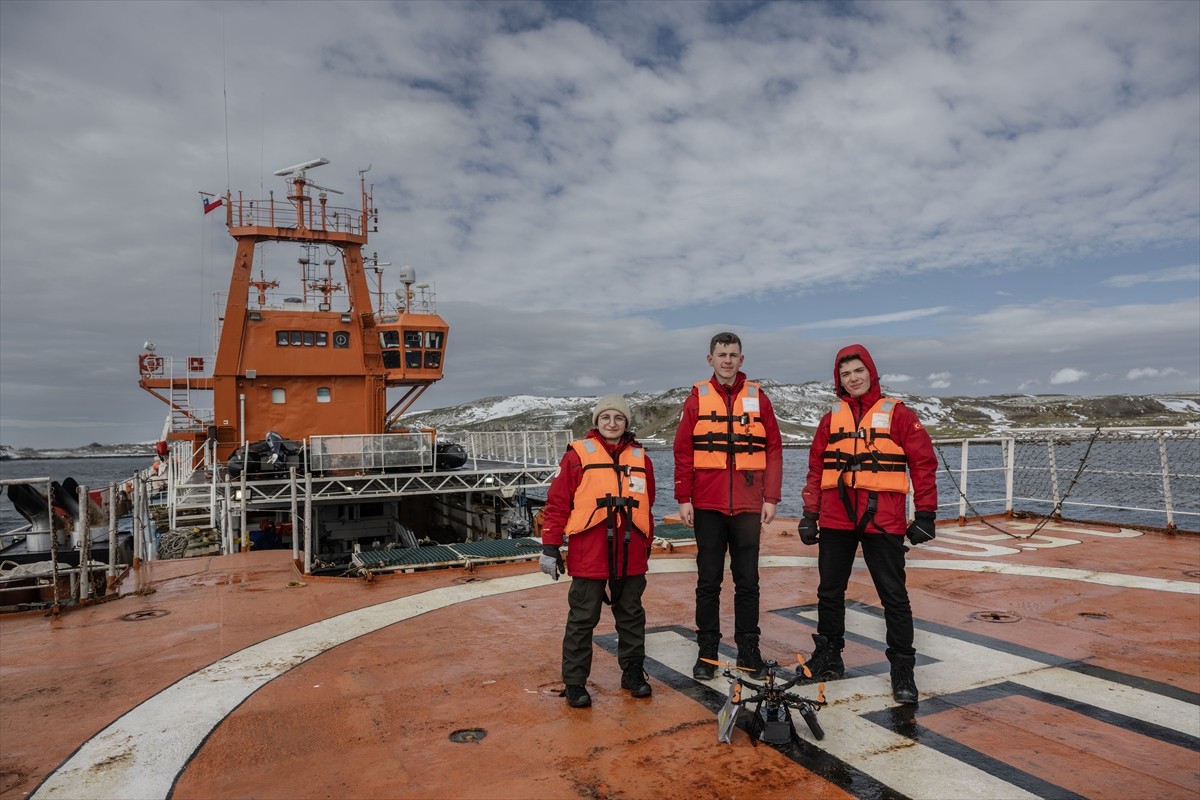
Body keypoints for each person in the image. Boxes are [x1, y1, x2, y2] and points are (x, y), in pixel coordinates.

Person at [798, 343, 938, 705]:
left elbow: (923, 464)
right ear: (838, 380)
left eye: (858, 371)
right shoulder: (831, 418)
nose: (852, 378)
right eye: (845, 374)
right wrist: (809, 514)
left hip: (884, 518)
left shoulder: (899, 415)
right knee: (829, 592)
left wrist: (926, 514)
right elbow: (817, 468)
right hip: (836, 516)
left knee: (894, 596)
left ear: (871, 372)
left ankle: (903, 670)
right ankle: (829, 657)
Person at [674, 331, 783, 680]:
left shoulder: (760, 399)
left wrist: (771, 497)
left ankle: (748, 650)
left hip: (749, 507)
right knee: (708, 581)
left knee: (747, 581)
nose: (727, 360)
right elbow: (683, 451)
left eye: (733, 354)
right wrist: (683, 498)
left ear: (742, 360)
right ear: (710, 360)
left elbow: (774, 449)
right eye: (721, 354)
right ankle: (707, 651)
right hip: (707, 505)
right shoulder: (695, 401)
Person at [540, 394, 656, 708]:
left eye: (619, 418)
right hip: (588, 550)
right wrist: (550, 546)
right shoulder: (576, 456)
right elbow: (557, 503)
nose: (612, 423)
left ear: (626, 423)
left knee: (631, 614)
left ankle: (632, 671)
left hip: (630, 549)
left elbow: (649, 503)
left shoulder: (641, 458)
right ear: (596, 421)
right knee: (582, 617)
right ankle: (575, 682)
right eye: (606, 417)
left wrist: (645, 544)